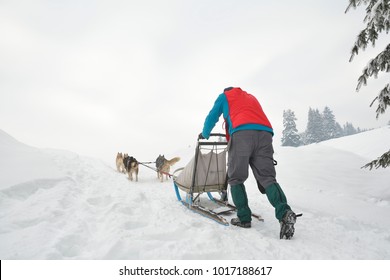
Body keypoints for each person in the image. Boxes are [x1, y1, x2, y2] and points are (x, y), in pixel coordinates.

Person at [200, 87, 297, 239]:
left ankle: (244, 218)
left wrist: (205, 133)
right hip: (265, 134)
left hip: (242, 133)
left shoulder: (225, 96)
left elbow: (212, 116)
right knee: (267, 178)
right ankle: (285, 212)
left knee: (236, 177)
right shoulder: (251, 96)